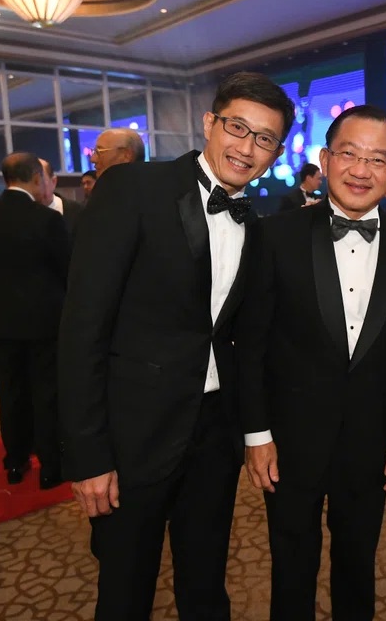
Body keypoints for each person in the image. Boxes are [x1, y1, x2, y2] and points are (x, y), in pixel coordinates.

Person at [58, 72, 295, 620]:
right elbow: (81, 329)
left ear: (276, 152)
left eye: (264, 139)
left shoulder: (255, 226)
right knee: (125, 590)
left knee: (206, 584)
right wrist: (89, 453)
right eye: (238, 127)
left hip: (213, 434)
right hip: (132, 434)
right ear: (210, 123)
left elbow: (243, 340)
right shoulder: (131, 189)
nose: (248, 147)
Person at [237, 104, 386, 620]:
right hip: (288, 438)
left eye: (377, 159)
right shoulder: (274, 236)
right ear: (325, 159)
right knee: (290, 563)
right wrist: (256, 436)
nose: (360, 169)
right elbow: (251, 344)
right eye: (348, 153)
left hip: (370, 441)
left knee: (358, 562)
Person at [0, 152, 70, 487]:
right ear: (36, 178)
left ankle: (15, 462)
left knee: (9, 391)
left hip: (1, 320)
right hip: (44, 321)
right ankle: (51, 467)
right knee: (46, 392)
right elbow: (66, 269)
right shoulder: (46, 219)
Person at [39, 159, 84, 238]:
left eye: (38, 181)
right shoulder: (20, 217)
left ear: (53, 182)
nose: (34, 188)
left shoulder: (79, 212)